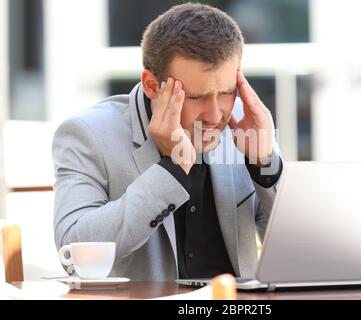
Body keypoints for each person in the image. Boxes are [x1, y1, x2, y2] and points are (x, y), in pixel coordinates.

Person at [52, 2, 282, 281]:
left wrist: (264, 165)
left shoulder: (243, 122)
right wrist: (172, 169)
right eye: (195, 97)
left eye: (226, 92)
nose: (214, 116)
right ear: (151, 85)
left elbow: (296, 248)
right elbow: (72, 252)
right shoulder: (87, 135)